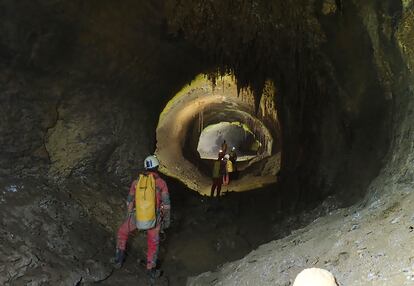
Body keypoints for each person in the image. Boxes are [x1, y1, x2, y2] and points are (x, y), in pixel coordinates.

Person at [114, 155, 171, 280]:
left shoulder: (136, 182)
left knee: (122, 233)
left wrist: (129, 217)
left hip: (137, 216)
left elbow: (129, 202)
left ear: (145, 168)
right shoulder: (161, 183)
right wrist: (165, 221)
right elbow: (166, 205)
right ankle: (151, 271)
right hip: (154, 219)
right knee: (153, 244)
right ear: (157, 167)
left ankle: (118, 259)